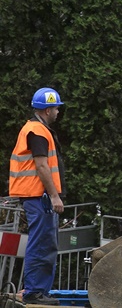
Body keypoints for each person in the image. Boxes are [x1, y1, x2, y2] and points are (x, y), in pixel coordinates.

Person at [9, 87, 66, 306]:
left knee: (44, 243)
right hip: (39, 196)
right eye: (55, 108)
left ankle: (38, 289)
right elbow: (42, 166)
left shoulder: (35, 129)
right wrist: (54, 196)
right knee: (42, 243)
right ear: (47, 109)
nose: (58, 112)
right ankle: (34, 292)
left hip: (37, 195)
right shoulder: (38, 132)